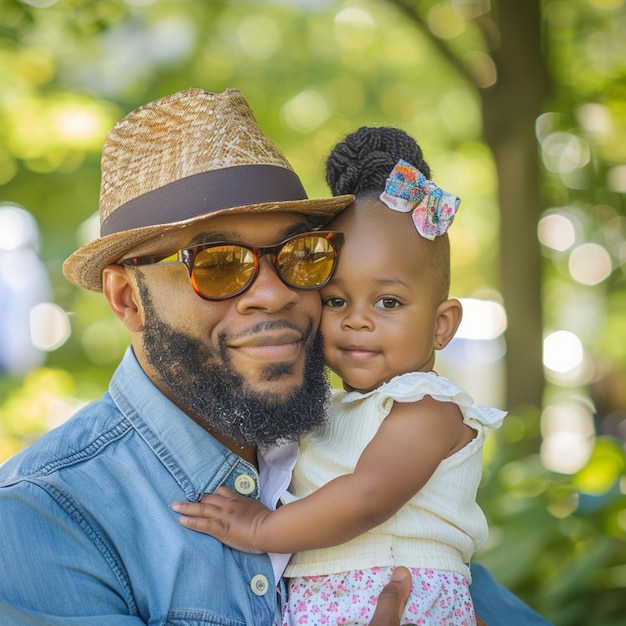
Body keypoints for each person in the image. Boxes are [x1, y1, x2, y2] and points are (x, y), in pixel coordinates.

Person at [0, 88, 408, 625]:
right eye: (218, 263)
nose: (275, 292)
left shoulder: (377, 444)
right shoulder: (42, 517)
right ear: (128, 299)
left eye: (298, 254)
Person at [171, 126, 506, 625]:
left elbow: (368, 496)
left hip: (398, 591)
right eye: (336, 300)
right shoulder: (329, 407)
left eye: (388, 301)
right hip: (331, 598)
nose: (357, 320)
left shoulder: (429, 407)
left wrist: (261, 529)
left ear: (442, 325)